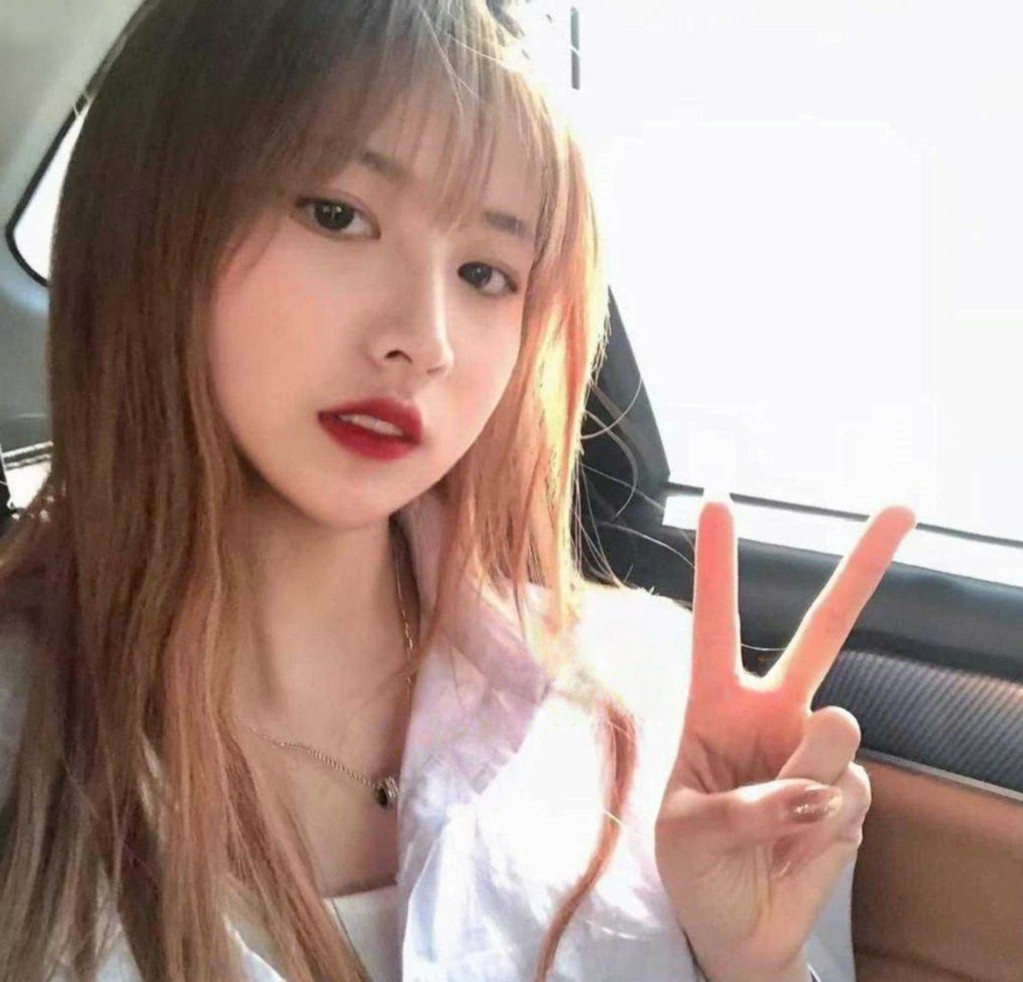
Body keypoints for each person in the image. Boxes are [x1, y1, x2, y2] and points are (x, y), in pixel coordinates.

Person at [0, 0, 916, 978]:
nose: (424, 339)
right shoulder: (29, 740)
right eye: (337, 215)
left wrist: (749, 966)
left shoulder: (655, 709)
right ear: (151, 218)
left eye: (485, 272)